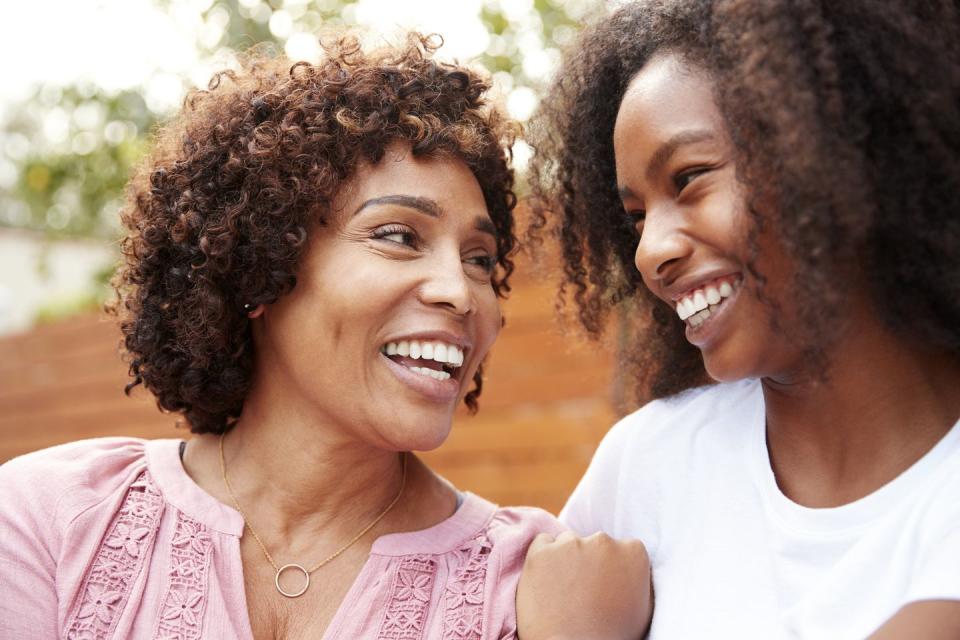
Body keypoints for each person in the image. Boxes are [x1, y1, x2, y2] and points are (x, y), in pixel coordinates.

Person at [0, 33, 571, 639]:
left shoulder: (532, 583)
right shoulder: (52, 519)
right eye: (399, 236)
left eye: (480, 259)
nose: (460, 291)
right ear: (260, 267)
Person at [520, 1, 960, 638]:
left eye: (690, 178)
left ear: (837, 155)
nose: (650, 252)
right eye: (636, 217)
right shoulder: (646, 466)